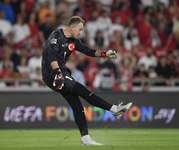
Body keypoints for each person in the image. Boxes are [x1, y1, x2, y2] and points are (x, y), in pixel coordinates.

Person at [41, 16, 132, 146]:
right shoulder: (56, 35)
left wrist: (105, 54)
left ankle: (85, 139)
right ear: (72, 27)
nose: (80, 33)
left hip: (62, 72)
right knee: (83, 91)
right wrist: (58, 74)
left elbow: (88, 51)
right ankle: (114, 109)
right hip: (52, 73)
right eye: (80, 29)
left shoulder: (74, 41)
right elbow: (51, 56)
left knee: (77, 105)